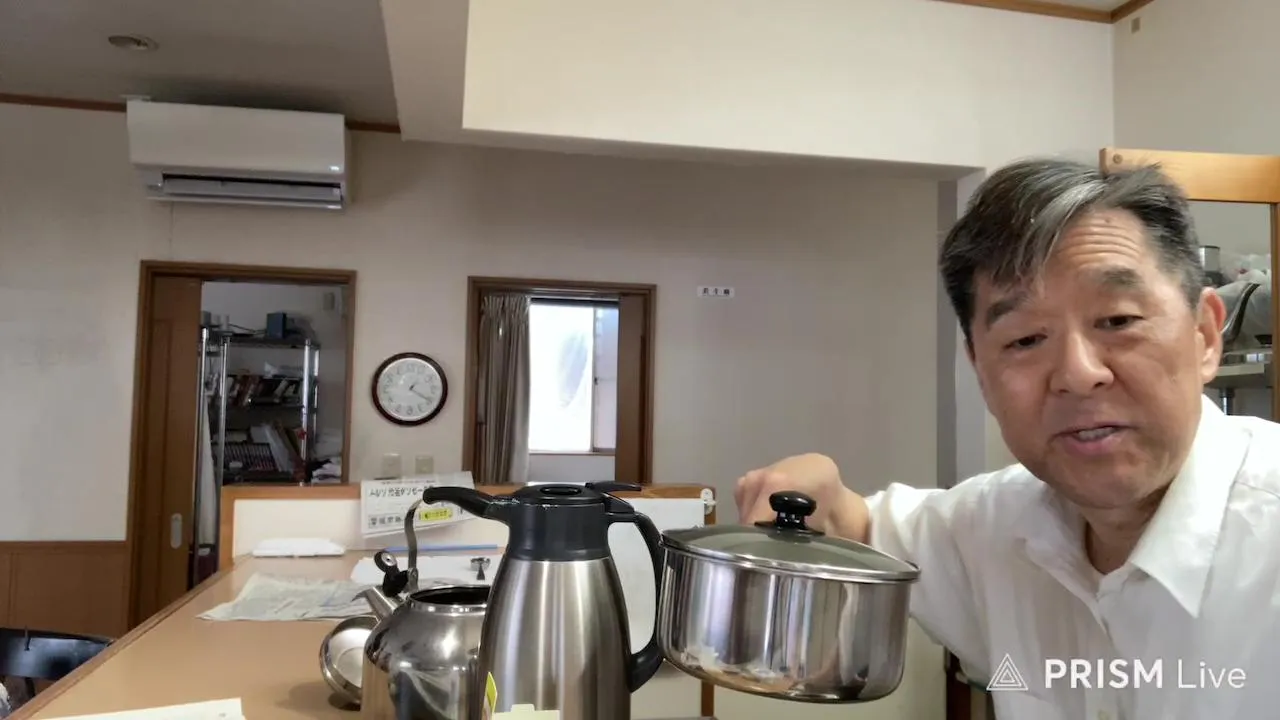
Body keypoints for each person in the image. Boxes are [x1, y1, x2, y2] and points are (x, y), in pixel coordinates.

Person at [736, 158, 1280, 719]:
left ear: (1205, 335)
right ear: (980, 371)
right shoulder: (995, 528)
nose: (1077, 373)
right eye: (1025, 340)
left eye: (1118, 321)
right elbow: (860, 528)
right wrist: (820, 492)